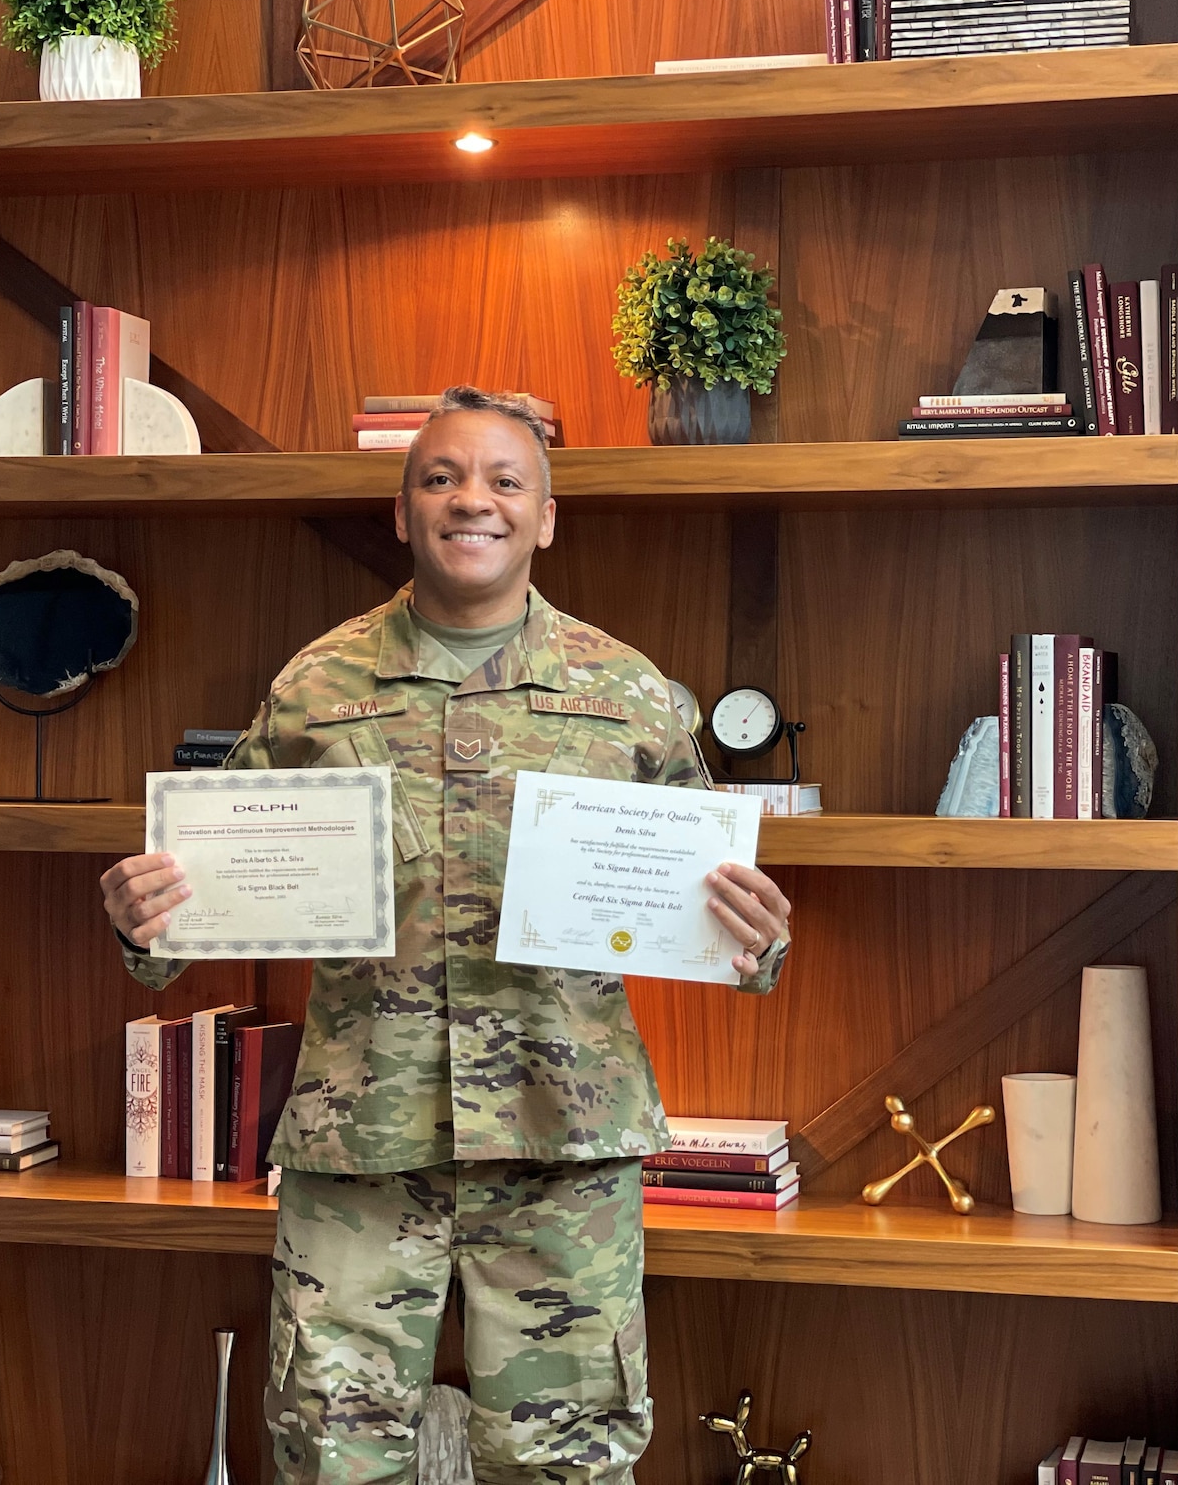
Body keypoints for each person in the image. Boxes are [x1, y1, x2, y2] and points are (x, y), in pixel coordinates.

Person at [100, 386, 792, 1484]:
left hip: (559, 1147)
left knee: (565, 1464)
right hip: (362, 1146)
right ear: (401, 509)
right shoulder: (314, 689)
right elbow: (208, 893)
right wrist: (148, 923)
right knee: (332, 1450)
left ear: (546, 515)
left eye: (504, 481)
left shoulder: (629, 696)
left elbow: (703, 904)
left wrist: (753, 941)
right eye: (441, 478)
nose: (473, 500)